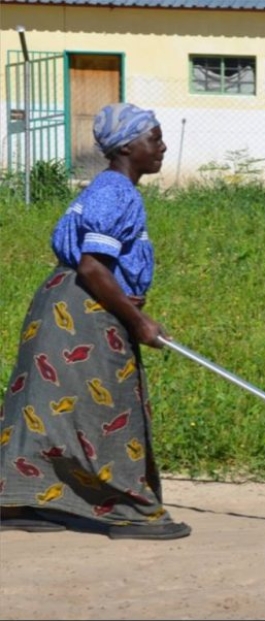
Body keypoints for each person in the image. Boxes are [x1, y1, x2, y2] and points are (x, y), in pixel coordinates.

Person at [0, 102, 191, 540]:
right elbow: (91, 267)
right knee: (109, 409)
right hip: (84, 310)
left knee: (43, 410)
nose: (162, 147)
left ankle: (15, 501)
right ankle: (126, 509)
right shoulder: (117, 191)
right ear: (127, 146)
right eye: (154, 138)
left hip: (68, 304)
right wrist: (139, 322)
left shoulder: (112, 189)